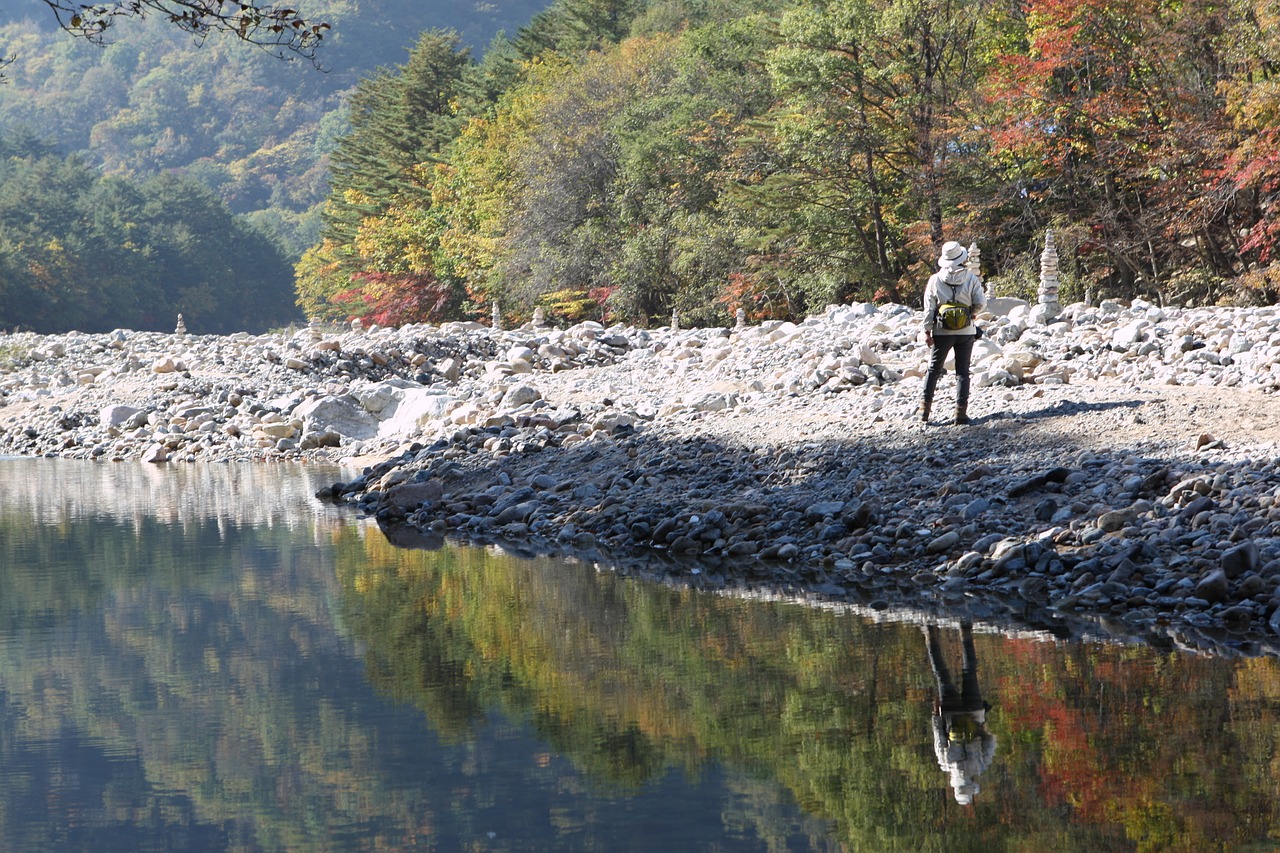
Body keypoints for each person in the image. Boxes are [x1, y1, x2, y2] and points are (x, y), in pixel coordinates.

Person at [925, 621, 997, 806]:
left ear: (970, 785)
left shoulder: (981, 766)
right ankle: (930, 632)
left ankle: (965, 632)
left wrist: (981, 727)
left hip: (974, 711)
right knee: (941, 674)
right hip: (950, 713)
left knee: (969, 671)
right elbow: (940, 738)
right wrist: (936, 715)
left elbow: (990, 741)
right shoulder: (946, 765)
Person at [921, 241, 987, 425]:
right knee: (962, 372)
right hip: (966, 330)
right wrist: (971, 314)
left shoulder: (935, 279)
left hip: (942, 331)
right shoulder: (971, 278)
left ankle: (924, 412)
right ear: (961, 258)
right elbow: (981, 303)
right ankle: (960, 414)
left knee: (933, 370)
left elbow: (929, 309)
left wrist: (927, 330)